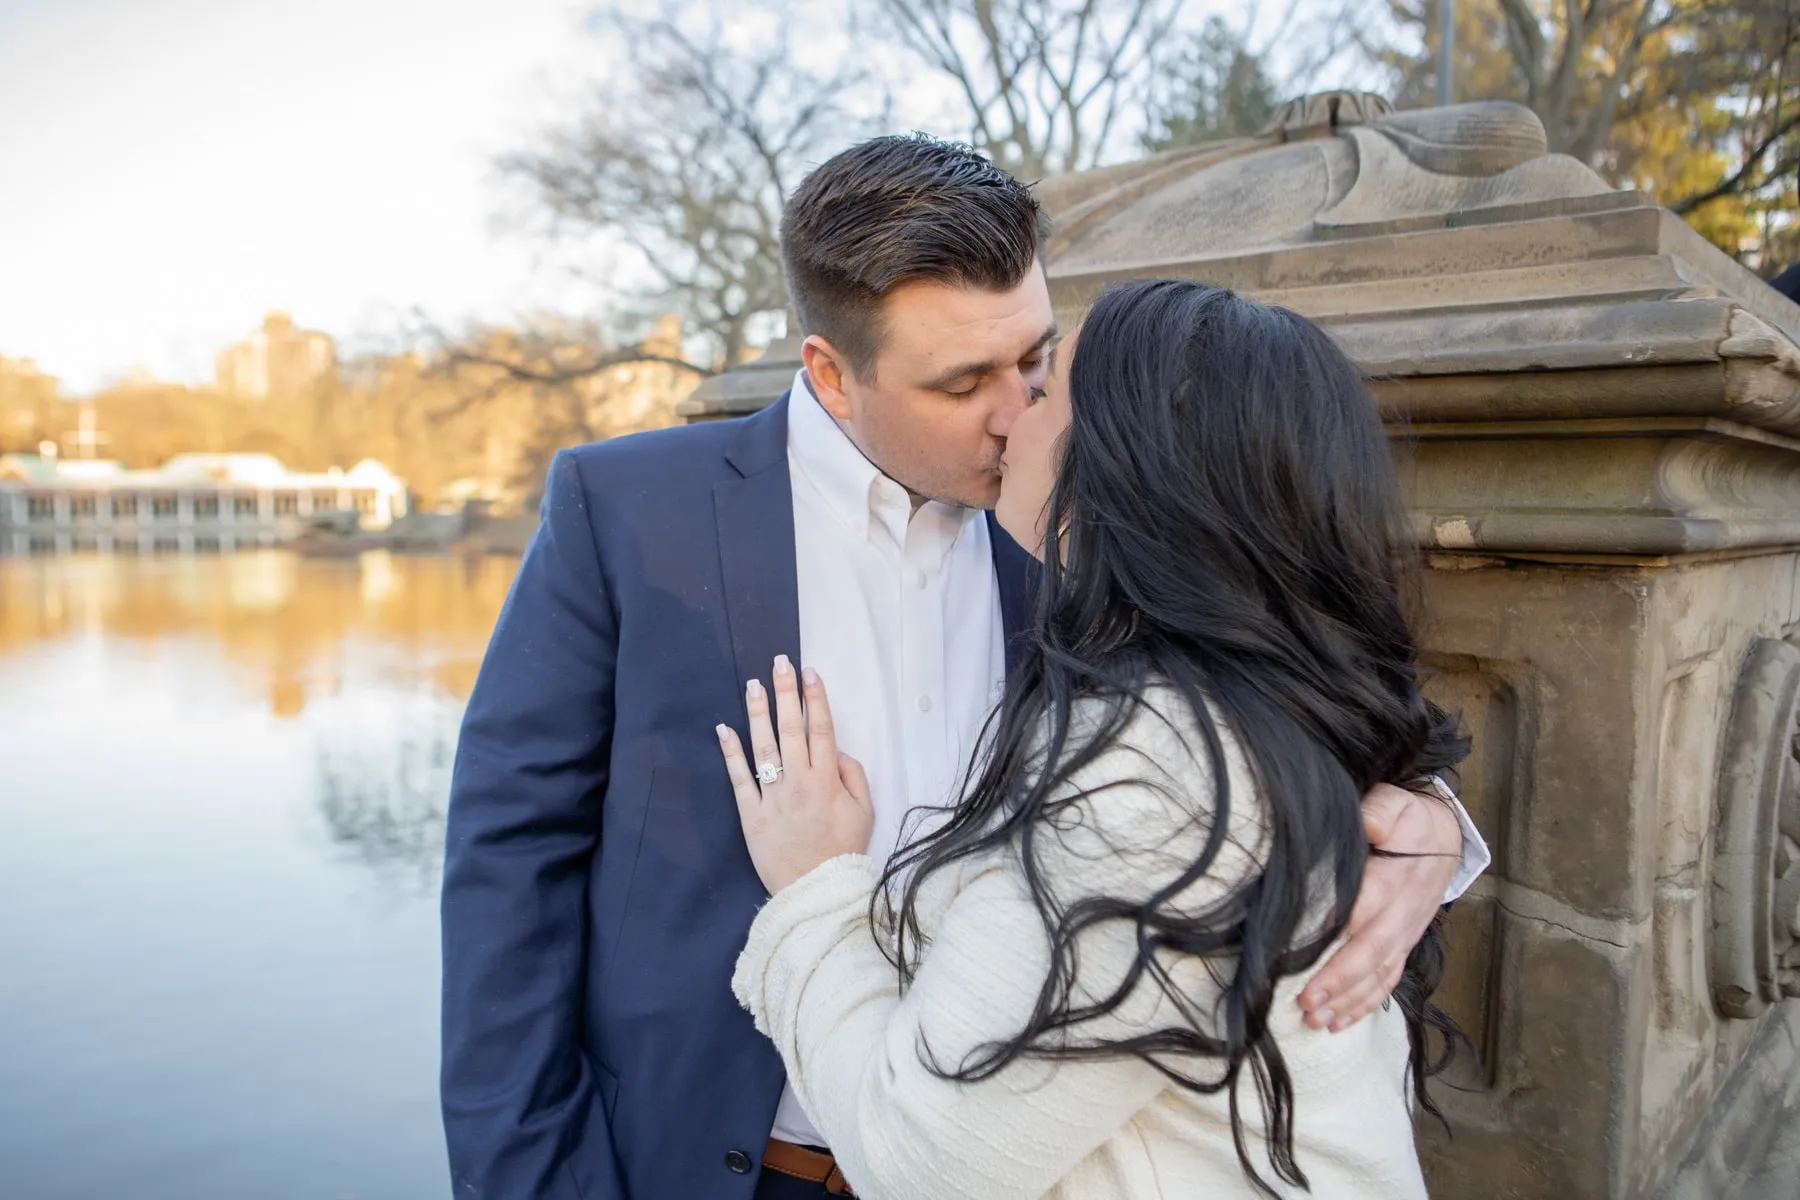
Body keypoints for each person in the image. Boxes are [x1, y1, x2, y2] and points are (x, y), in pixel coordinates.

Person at [439, 135, 1488, 1200]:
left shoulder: (1095, 519)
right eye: (962, 382)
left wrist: (1422, 822)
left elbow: (1257, 690)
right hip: (725, 1163)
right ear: (831, 376)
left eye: (1035, 361)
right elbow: (509, 863)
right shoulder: (629, 514)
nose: (1015, 412)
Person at [722, 279, 1463, 1198]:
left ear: (1130, 466)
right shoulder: (1229, 676)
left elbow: (924, 1163)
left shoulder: (1148, 777)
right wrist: (1426, 823)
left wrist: (813, 891)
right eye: (969, 383)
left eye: (1043, 383)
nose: (1010, 419)